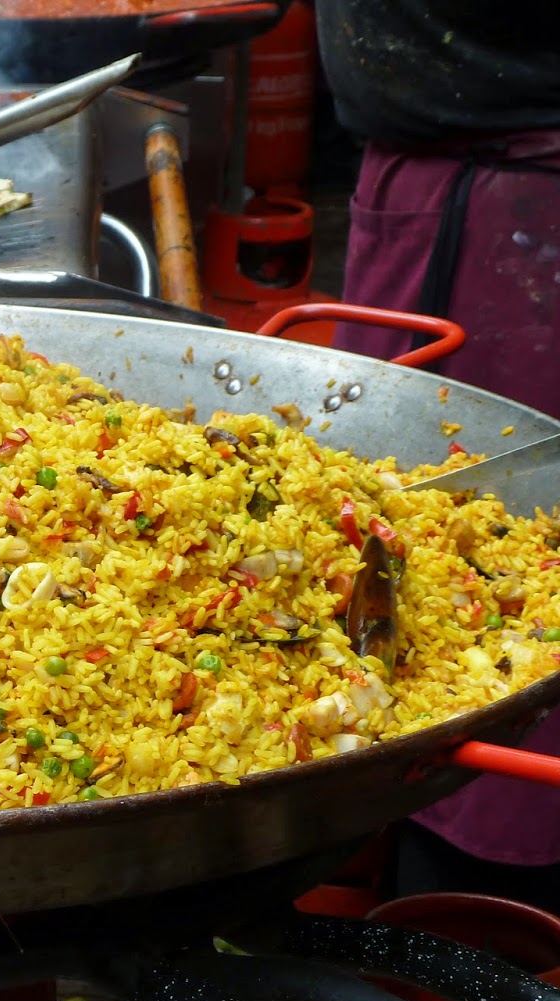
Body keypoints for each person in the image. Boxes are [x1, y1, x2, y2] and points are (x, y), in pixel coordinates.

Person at [314, 0, 560, 910]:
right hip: (436, 175)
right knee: (375, 562)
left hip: (525, 201)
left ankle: (486, 958)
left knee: (508, 601)